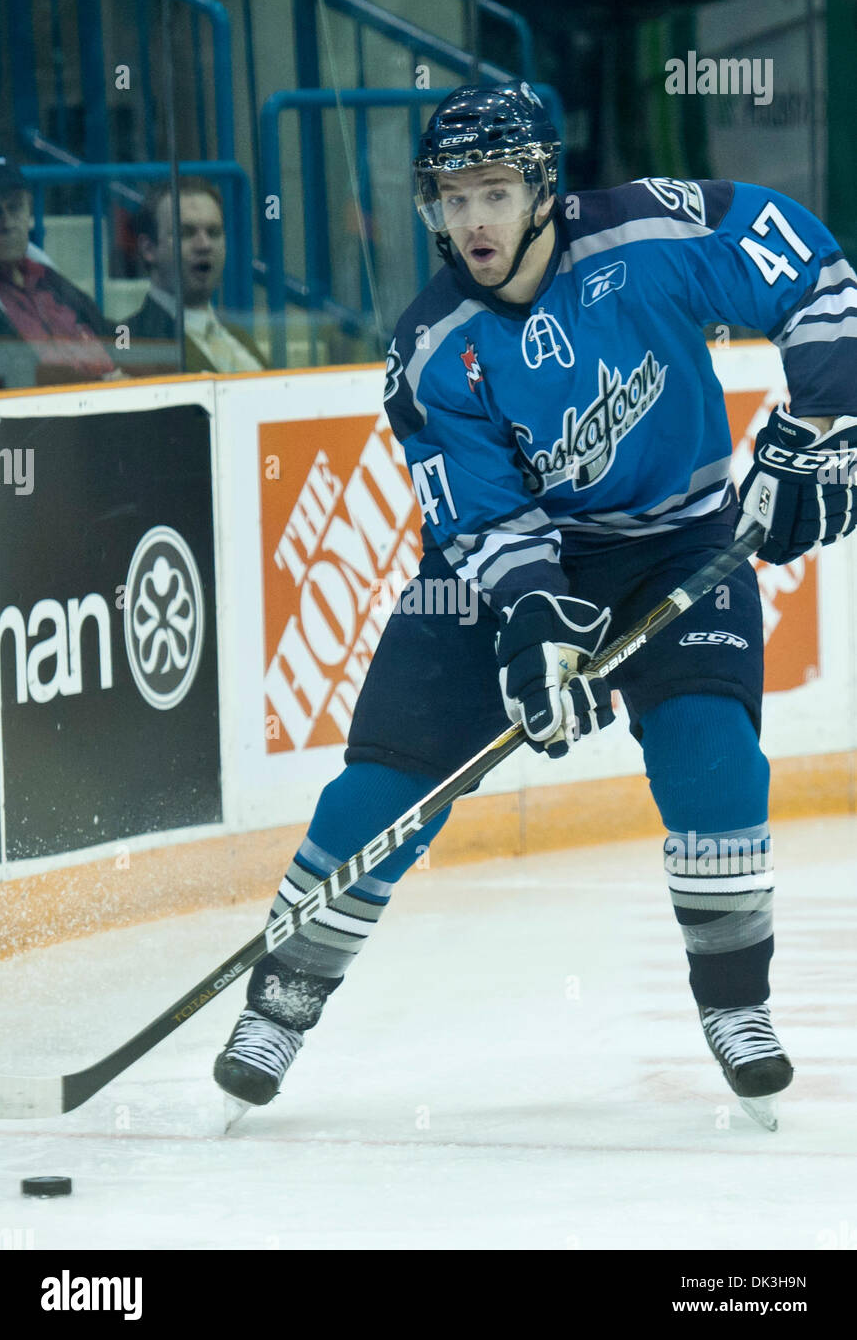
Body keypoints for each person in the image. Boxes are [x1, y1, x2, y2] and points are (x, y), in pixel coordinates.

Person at [214, 82, 857, 1129]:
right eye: (451, 195)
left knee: (714, 760)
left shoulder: (648, 235)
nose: (470, 220)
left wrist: (826, 419)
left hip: (677, 540)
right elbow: (478, 517)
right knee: (380, 790)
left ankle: (736, 1006)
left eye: (494, 191)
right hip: (510, 566)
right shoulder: (428, 347)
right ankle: (281, 1004)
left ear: (543, 186)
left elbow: (808, 261)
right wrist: (529, 619)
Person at [0, 156, 118, 389]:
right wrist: (98, 384)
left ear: (29, 210)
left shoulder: (47, 277)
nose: (6, 222)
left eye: (15, 206)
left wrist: (135, 353)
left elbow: (116, 333)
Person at [126, 178, 267, 373]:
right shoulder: (134, 342)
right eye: (185, 233)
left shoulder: (237, 336)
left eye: (214, 232)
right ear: (149, 249)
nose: (204, 245)